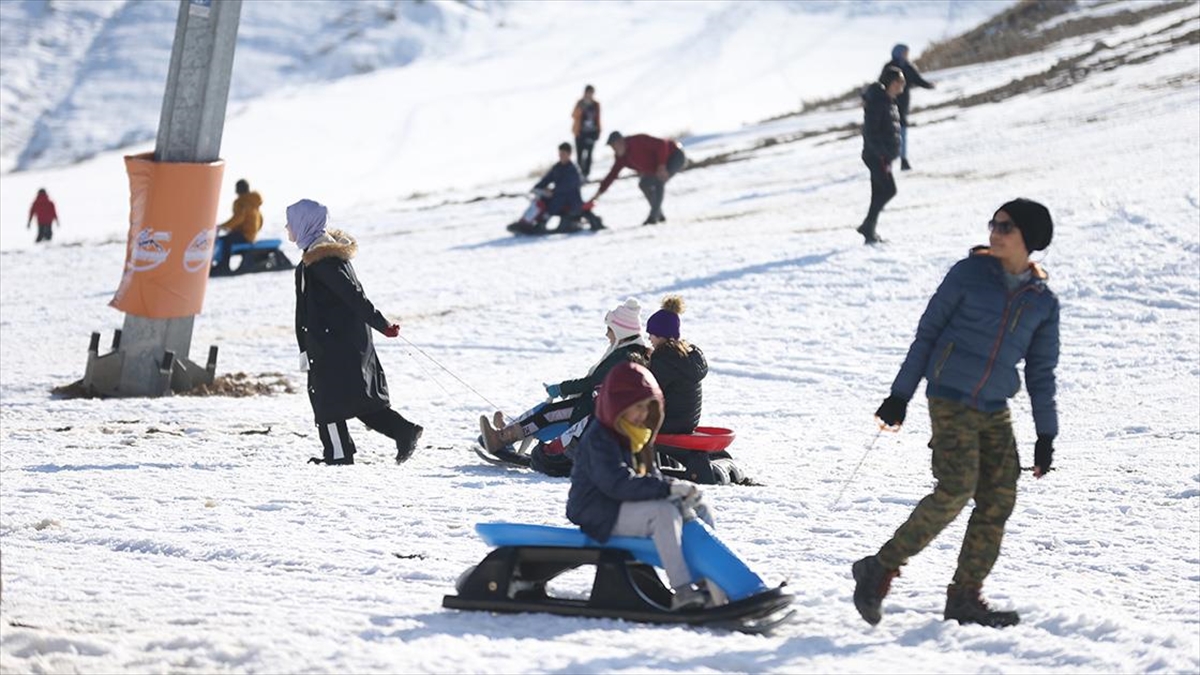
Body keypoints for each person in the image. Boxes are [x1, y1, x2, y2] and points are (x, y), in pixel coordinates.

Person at [851, 199, 1060, 629]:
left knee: (999, 497)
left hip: (994, 406)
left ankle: (965, 596)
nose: (995, 231)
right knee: (957, 488)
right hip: (949, 395)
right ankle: (880, 567)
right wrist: (899, 396)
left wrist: (1045, 435)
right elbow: (927, 334)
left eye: (1006, 226)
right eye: (994, 223)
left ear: (1031, 238)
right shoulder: (968, 275)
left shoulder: (1041, 301)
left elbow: (1041, 373)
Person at [565, 360, 712, 610]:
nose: (642, 414)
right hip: (598, 511)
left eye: (647, 407)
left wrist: (678, 489)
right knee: (664, 513)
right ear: (617, 406)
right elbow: (616, 483)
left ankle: (712, 575)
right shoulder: (600, 438)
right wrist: (667, 491)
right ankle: (683, 591)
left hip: (623, 506)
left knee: (698, 506)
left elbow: (650, 476)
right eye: (636, 407)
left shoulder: (637, 436)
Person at [287, 198, 423, 466]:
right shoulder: (316, 257)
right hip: (332, 341)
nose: (287, 228)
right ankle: (403, 431)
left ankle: (339, 454)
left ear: (304, 224)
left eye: (290, 223)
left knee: (328, 400)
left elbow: (354, 297)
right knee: (353, 399)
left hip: (335, 344)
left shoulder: (324, 262)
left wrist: (382, 325)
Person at [479, 298, 650, 458]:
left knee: (547, 415)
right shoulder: (627, 350)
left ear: (620, 330)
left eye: (609, 329)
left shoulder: (624, 355)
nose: (606, 334)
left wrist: (562, 388)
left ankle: (502, 438)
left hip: (592, 409)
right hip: (593, 403)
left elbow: (592, 382)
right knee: (545, 412)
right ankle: (505, 433)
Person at [589, 131, 686, 226]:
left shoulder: (638, 141)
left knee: (659, 180)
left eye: (614, 146)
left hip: (675, 155)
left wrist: (662, 165)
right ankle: (658, 214)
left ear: (621, 141)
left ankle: (653, 217)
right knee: (644, 184)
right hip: (657, 167)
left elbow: (662, 144)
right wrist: (598, 194)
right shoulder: (621, 158)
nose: (614, 149)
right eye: (612, 147)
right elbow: (612, 175)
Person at [857, 66, 905, 245]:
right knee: (888, 190)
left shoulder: (887, 100)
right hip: (876, 156)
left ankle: (869, 230)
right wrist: (883, 154)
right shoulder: (879, 101)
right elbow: (870, 131)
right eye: (900, 82)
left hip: (880, 156)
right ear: (892, 83)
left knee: (879, 192)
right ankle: (868, 225)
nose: (902, 86)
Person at [528, 143, 604, 234]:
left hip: (572, 201)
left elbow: (567, 186)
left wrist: (552, 191)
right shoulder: (557, 167)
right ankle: (529, 221)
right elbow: (547, 179)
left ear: (569, 154)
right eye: (560, 154)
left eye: (563, 154)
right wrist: (538, 187)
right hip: (559, 197)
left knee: (556, 200)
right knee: (543, 199)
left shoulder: (573, 170)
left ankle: (544, 220)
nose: (561, 156)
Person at [882, 44, 935, 171]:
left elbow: (918, 80)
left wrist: (929, 85)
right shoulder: (889, 68)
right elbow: (881, 84)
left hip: (903, 105)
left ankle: (903, 159)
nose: (907, 55)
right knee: (889, 132)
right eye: (905, 53)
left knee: (902, 132)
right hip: (889, 104)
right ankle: (887, 160)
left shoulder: (908, 67)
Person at [213, 179, 263, 272]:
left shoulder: (241, 202)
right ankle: (223, 264)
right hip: (250, 235)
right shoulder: (253, 200)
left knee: (224, 241)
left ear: (238, 190)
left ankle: (224, 265)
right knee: (228, 239)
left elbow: (238, 218)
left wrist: (224, 226)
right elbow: (259, 218)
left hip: (244, 234)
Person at [572, 85, 602, 180]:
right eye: (588, 92)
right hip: (580, 133)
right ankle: (580, 173)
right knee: (580, 154)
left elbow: (598, 118)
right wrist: (581, 108)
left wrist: (598, 131)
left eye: (591, 93)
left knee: (589, 154)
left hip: (591, 132)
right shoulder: (580, 103)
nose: (589, 95)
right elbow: (574, 115)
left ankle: (586, 174)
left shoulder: (596, 104)